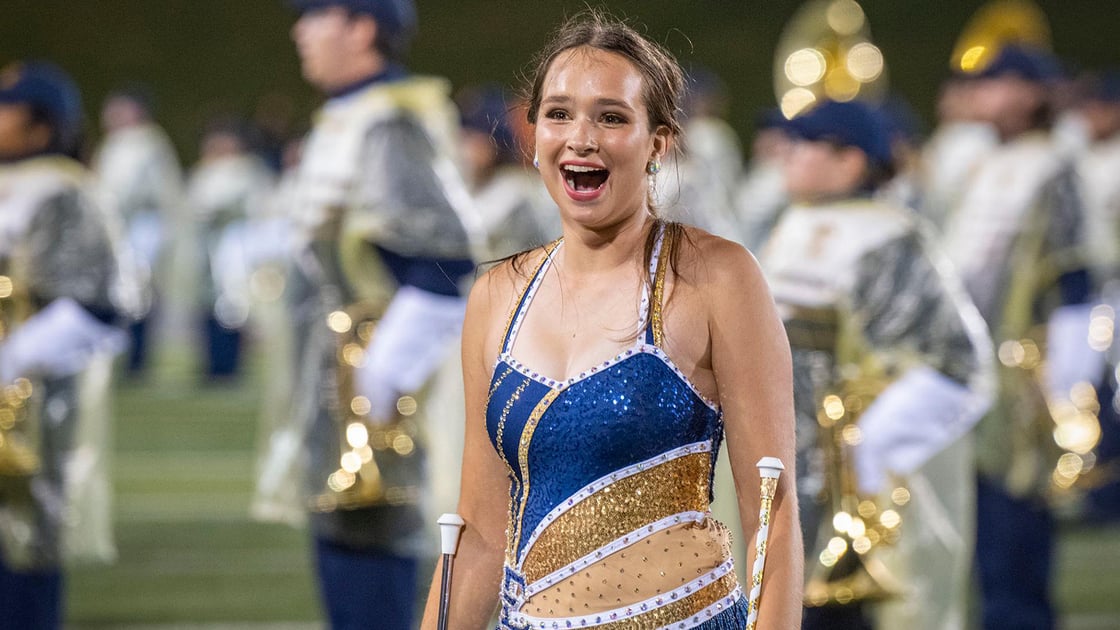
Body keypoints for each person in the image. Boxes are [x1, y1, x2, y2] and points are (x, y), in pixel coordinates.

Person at [420, 12, 802, 629]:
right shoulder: (496, 295)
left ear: (658, 142)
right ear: (535, 132)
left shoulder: (717, 278)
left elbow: (772, 519)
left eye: (612, 117)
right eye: (559, 113)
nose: (580, 138)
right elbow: (483, 534)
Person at [276, 0, 479, 627]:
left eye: (315, 15)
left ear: (362, 28)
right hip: (340, 375)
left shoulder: (389, 120)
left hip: (372, 385)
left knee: (371, 559)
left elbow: (444, 262)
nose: (299, 30)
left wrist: (378, 383)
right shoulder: (353, 114)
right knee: (343, 552)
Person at [759, 99, 993, 630]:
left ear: (851, 162)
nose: (786, 155)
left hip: (852, 474)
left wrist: (871, 445)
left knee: (852, 608)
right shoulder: (794, 222)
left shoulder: (891, 235)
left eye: (805, 144)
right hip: (796, 455)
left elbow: (958, 360)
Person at [937, 45, 1088, 630]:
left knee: (1017, 508)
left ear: (1031, 92)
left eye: (996, 83)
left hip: (1026, 364)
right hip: (969, 358)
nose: (982, 95)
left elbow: (1073, 271)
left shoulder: (1055, 162)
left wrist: (1070, 377)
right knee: (977, 509)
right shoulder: (981, 162)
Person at [0, 60, 137, 629]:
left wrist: (11, 359)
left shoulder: (64, 188)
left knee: (20, 551)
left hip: (26, 410)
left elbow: (103, 302)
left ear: (41, 126)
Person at [91, 84, 185, 374]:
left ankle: (136, 359)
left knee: (138, 294)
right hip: (119, 226)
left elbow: (147, 192)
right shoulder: (114, 144)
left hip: (142, 226)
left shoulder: (147, 142)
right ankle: (118, 354)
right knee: (118, 292)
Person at [185, 117, 276, 379]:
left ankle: (229, 364)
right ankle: (211, 361)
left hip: (234, 248)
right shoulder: (204, 172)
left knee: (233, 305)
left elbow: (256, 208)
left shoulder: (248, 172)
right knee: (206, 306)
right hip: (206, 248)